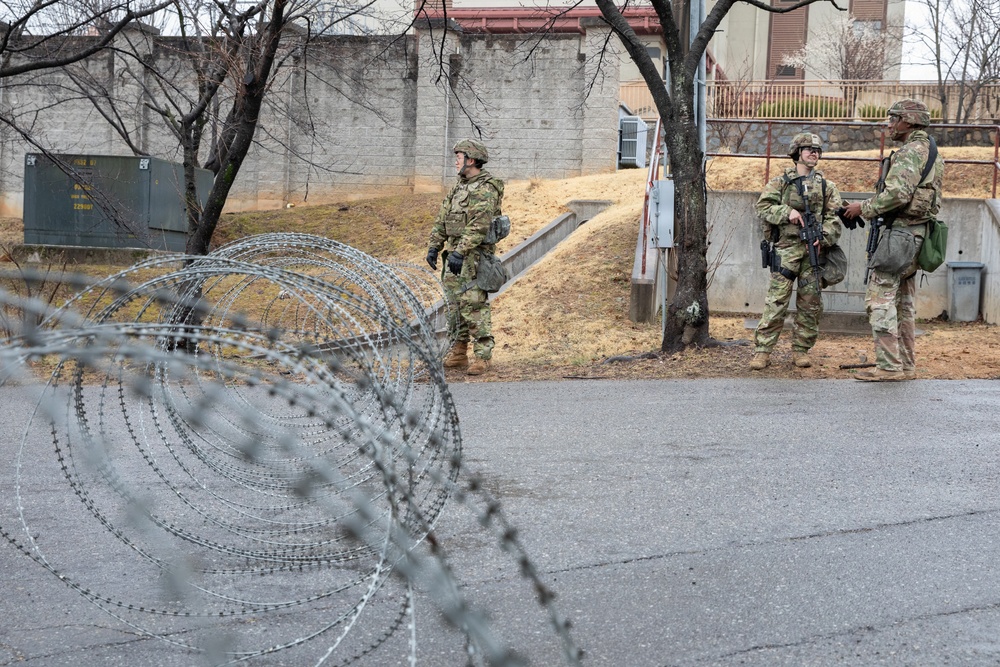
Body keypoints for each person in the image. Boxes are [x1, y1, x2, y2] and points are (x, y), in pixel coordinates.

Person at [842, 99, 944, 382]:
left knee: (879, 299)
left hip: (901, 235)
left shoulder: (910, 151)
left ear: (907, 121)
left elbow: (898, 194)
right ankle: (906, 365)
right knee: (903, 303)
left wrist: (862, 208)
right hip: (918, 233)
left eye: (893, 119)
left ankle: (888, 366)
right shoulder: (932, 151)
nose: (889, 125)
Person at [751, 132, 844, 371]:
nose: (814, 153)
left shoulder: (826, 186)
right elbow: (763, 207)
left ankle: (801, 350)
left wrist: (823, 236)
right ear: (797, 153)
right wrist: (787, 212)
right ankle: (763, 351)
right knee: (776, 301)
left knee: (810, 303)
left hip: (813, 251)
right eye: (809, 149)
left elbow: (834, 218)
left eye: (817, 150)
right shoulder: (780, 182)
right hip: (786, 250)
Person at [426, 139, 504, 376]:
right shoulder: (459, 187)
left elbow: (479, 224)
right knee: (454, 305)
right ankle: (459, 352)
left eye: (458, 157)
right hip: (454, 255)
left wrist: (461, 251)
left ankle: (483, 356)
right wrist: (434, 246)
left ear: (471, 160)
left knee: (474, 304)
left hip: (474, 257)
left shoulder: (486, 188)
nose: (455, 161)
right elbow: (443, 218)